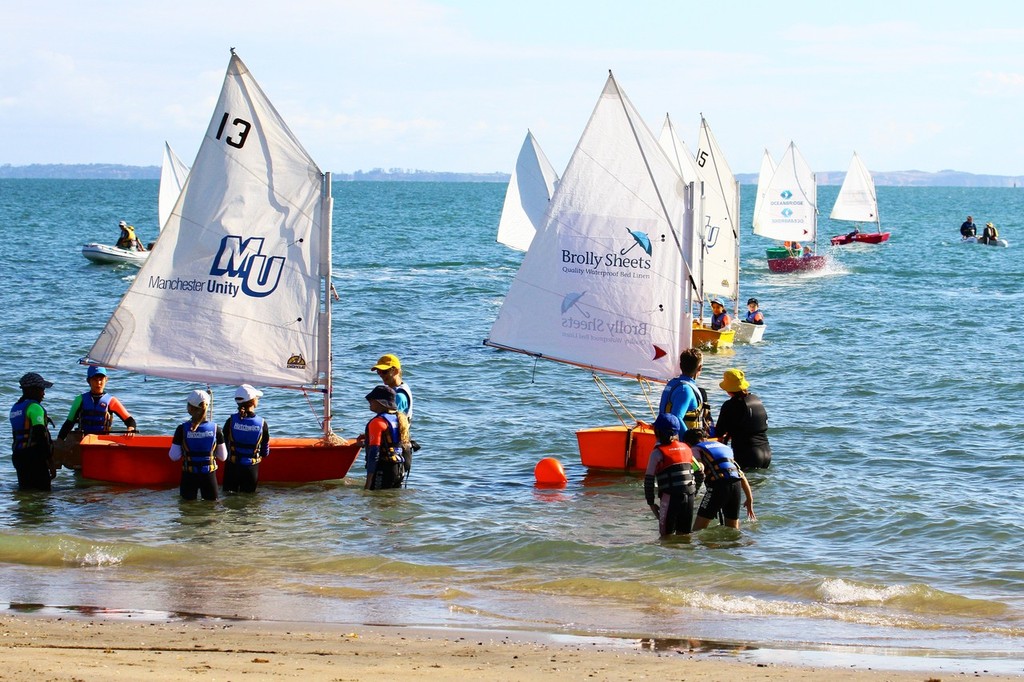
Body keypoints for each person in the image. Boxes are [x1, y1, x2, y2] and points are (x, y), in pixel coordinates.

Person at [682, 428, 755, 531]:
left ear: (687, 444)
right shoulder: (723, 447)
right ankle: (736, 547)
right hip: (736, 485)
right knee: (733, 530)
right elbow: (740, 475)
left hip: (718, 486)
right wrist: (749, 499)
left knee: (697, 530)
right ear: (705, 438)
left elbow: (700, 467)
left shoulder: (694, 449)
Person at [644, 414, 702, 536]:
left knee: (666, 537)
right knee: (685, 536)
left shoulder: (657, 453)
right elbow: (700, 472)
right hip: (689, 496)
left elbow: (649, 480)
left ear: (657, 432)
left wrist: (651, 503)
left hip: (671, 497)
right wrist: (694, 491)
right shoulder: (687, 449)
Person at [168, 390, 226, 501]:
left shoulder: (182, 429)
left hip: (189, 476)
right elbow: (223, 457)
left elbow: (173, 456)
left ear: (190, 409)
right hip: (209, 476)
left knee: (187, 512)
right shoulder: (215, 429)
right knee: (212, 511)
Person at [57, 366, 137, 442]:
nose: (98, 383)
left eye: (101, 379)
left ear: (106, 379)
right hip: (84, 441)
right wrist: (59, 440)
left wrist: (131, 429)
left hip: (102, 441)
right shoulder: (80, 400)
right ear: (88, 381)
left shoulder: (112, 401)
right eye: (94, 379)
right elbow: (68, 424)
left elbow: (130, 420)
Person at [715, 368, 772, 470]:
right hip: (767, 453)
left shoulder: (730, 405)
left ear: (728, 389)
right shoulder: (756, 399)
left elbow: (719, 432)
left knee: (745, 484)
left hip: (748, 455)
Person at [9, 372, 57, 491]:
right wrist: (50, 461)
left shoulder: (15, 408)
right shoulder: (35, 407)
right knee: (43, 494)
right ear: (32, 390)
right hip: (34, 458)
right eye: (41, 389)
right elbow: (41, 436)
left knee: (26, 492)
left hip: (18, 457)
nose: (43, 394)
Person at [371, 353, 417, 473]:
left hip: (395, 455)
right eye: (379, 372)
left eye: (385, 372)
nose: (381, 375)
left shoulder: (399, 396)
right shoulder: (395, 391)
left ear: (396, 371)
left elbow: (395, 427)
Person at [222, 384, 270, 494]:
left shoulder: (230, 421)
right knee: (248, 503)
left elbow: (224, 446)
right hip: (250, 469)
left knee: (229, 499)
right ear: (253, 402)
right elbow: (265, 452)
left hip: (232, 468)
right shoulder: (262, 424)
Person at [360, 385, 410, 490]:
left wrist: (368, 482)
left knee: (376, 503)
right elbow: (391, 441)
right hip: (399, 469)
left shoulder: (377, 422)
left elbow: (374, 453)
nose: (369, 402)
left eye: (371, 399)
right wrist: (367, 439)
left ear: (380, 402)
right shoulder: (398, 418)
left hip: (383, 470)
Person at [658, 348, 713, 434]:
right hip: (683, 442)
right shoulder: (685, 390)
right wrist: (688, 440)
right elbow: (676, 417)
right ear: (700, 368)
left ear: (680, 365)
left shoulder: (672, 383)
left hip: (664, 436)